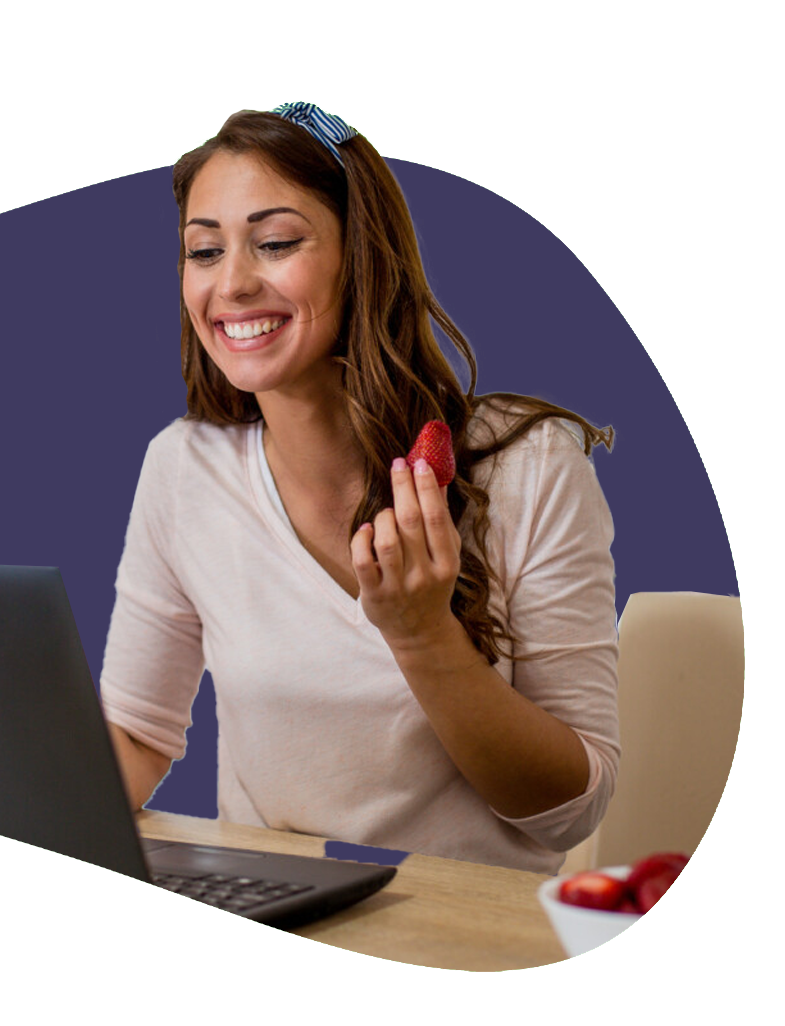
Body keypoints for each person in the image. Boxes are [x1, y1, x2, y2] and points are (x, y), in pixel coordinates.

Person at [99, 102, 620, 873]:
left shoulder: (528, 466)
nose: (233, 283)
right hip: (271, 915)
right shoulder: (183, 468)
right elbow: (138, 736)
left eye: (274, 243)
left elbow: (570, 812)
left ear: (362, 255)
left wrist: (422, 635)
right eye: (203, 252)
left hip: (467, 941)